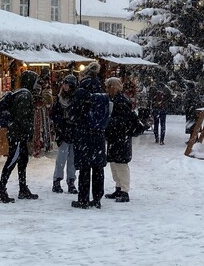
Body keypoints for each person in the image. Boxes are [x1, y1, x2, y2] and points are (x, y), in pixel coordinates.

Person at [0, 70, 40, 203]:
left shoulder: (20, 92)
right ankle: (1, 190)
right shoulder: (25, 95)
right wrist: (28, 132)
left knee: (22, 160)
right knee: (13, 160)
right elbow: (22, 118)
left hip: (17, 133)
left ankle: (22, 188)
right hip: (18, 135)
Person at [72, 62, 110, 209]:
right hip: (99, 134)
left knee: (85, 168)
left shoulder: (81, 90)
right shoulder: (101, 90)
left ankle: (83, 199)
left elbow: (74, 112)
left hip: (84, 133)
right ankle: (97, 198)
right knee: (98, 168)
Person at [105, 76, 143, 203]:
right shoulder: (116, 99)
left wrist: (110, 123)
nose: (106, 89)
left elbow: (123, 120)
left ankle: (124, 190)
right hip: (116, 137)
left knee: (121, 164)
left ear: (113, 87)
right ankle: (119, 187)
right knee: (115, 164)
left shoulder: (121, 101)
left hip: (120, 137)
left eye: (108, 86)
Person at [50, 74, 78, 194]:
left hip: (74, 132)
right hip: (63, 132)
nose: (65, 86)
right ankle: (57, 181)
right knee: (61, 159)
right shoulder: (59, 99)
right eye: (64, 84)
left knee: (72, 160)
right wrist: (61, 123)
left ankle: (71, 181)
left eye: (67, 84)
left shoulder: (76, 99)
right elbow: (53, 114)